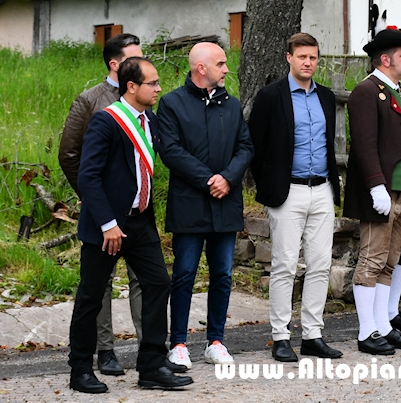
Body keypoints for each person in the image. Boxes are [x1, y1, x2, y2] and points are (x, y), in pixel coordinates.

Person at [68, 57, 193, 393]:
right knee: (91, 297)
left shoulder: (147, 119)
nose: (159, 88)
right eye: (152, 83)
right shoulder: (105, 122)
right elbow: (88, 176)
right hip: (106, 228)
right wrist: (108, 223)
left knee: (158, 285)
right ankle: (80, 369)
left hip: (140, 224)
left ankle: (152, 365)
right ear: (131, 86)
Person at [158, 43, 254, 369]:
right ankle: (179, 344)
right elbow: (169, 150)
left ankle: (216, 340)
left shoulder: (232, 105)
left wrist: (227, 178)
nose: (226, 69)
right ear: (202, 68)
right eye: (221, 63)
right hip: (190, 205)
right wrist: (208, 179)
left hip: (225, 205)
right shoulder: (172, 103)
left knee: (223, 275)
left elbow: (245, 146)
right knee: (184, 274)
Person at [248, 33, 343, 362]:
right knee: (285, 265)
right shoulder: (271, 96)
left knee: (320, 264)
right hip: (287, 192)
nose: (308, 62)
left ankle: (313, 334)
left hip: (322, 190)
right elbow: (254, 147)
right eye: (302, 56)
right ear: (288, 57)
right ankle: (280, 336)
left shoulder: (326, 97)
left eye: (313, 57)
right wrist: (271, 185)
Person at [58, 33, 144, 376]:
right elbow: (69, 153)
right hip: (102, 213)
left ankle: (149, 348)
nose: (144, 63)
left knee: (144, 279)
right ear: (115, 64)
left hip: (138, 212)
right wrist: (92, 197)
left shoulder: (143, 97)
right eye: (136, 58)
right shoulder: (89, 100)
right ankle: (105, 351)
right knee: (100, 283)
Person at [342, 28, 401, 355]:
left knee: (389, 262)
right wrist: (376, 185)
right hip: (382, 192)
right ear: (386, 59)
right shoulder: (366, 91)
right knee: (372, 260)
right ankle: (366, 332)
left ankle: (382, 326)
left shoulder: (396, 92)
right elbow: (364, 144)